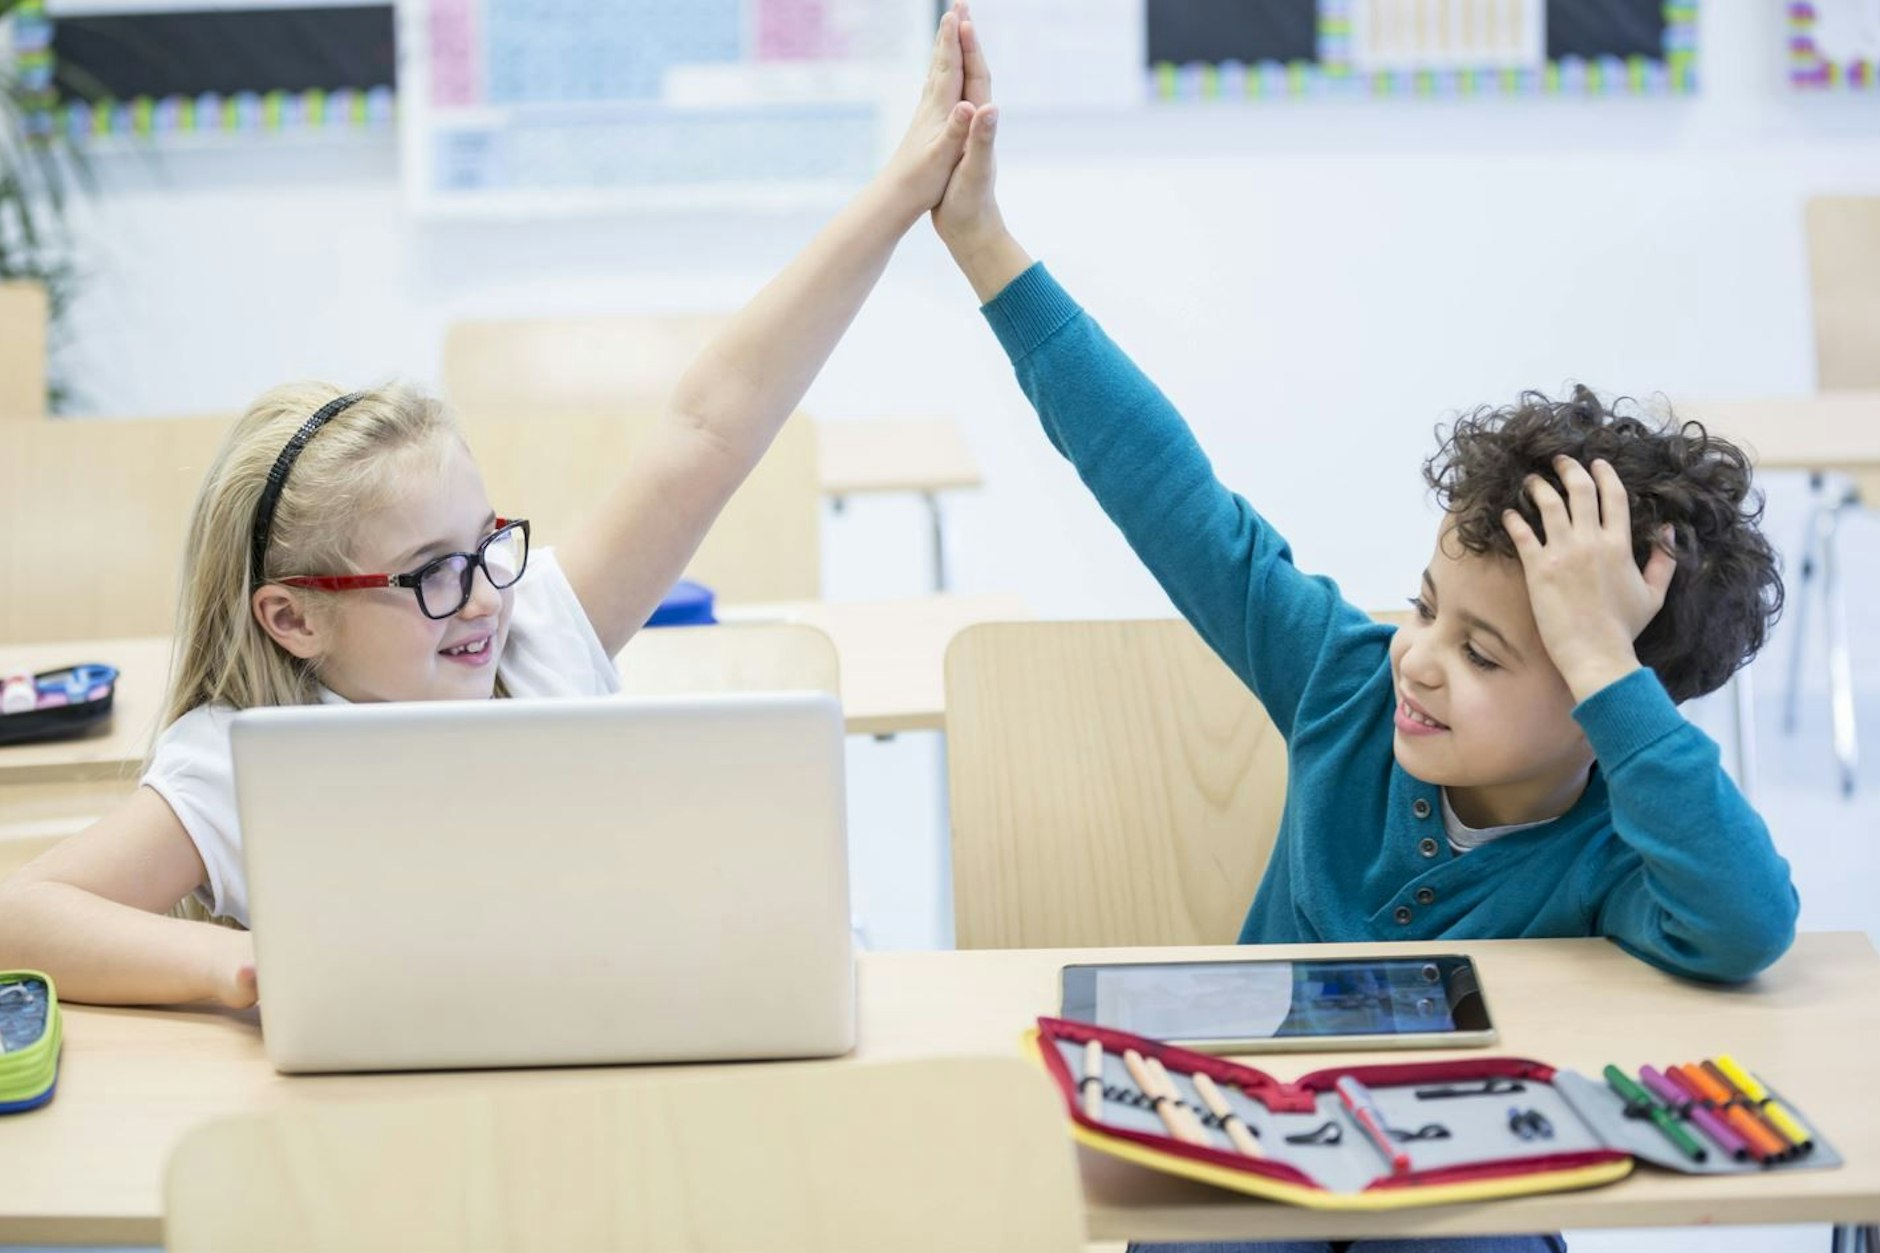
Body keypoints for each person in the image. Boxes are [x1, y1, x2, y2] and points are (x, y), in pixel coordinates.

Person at [926, 10, 1794, 1252]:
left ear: (1609, 710)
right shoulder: (1341, 682)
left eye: (1486, 654)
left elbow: (1746, 923)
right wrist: (983, 243)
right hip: (1244, 1156)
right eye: (1426, 605)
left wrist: (1600, 653)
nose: (1419, 657)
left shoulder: (1620, 849)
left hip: (1464, 1187)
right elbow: (1163, 487)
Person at [0, 2, 991, 1010]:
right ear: (294, 615)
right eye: (432, 571)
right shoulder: (235, 759)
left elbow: (711, 426)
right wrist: (243, 967)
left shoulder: (541, 637)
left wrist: (901, 193)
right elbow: (22, 916)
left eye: (484, 550)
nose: (480, 598)